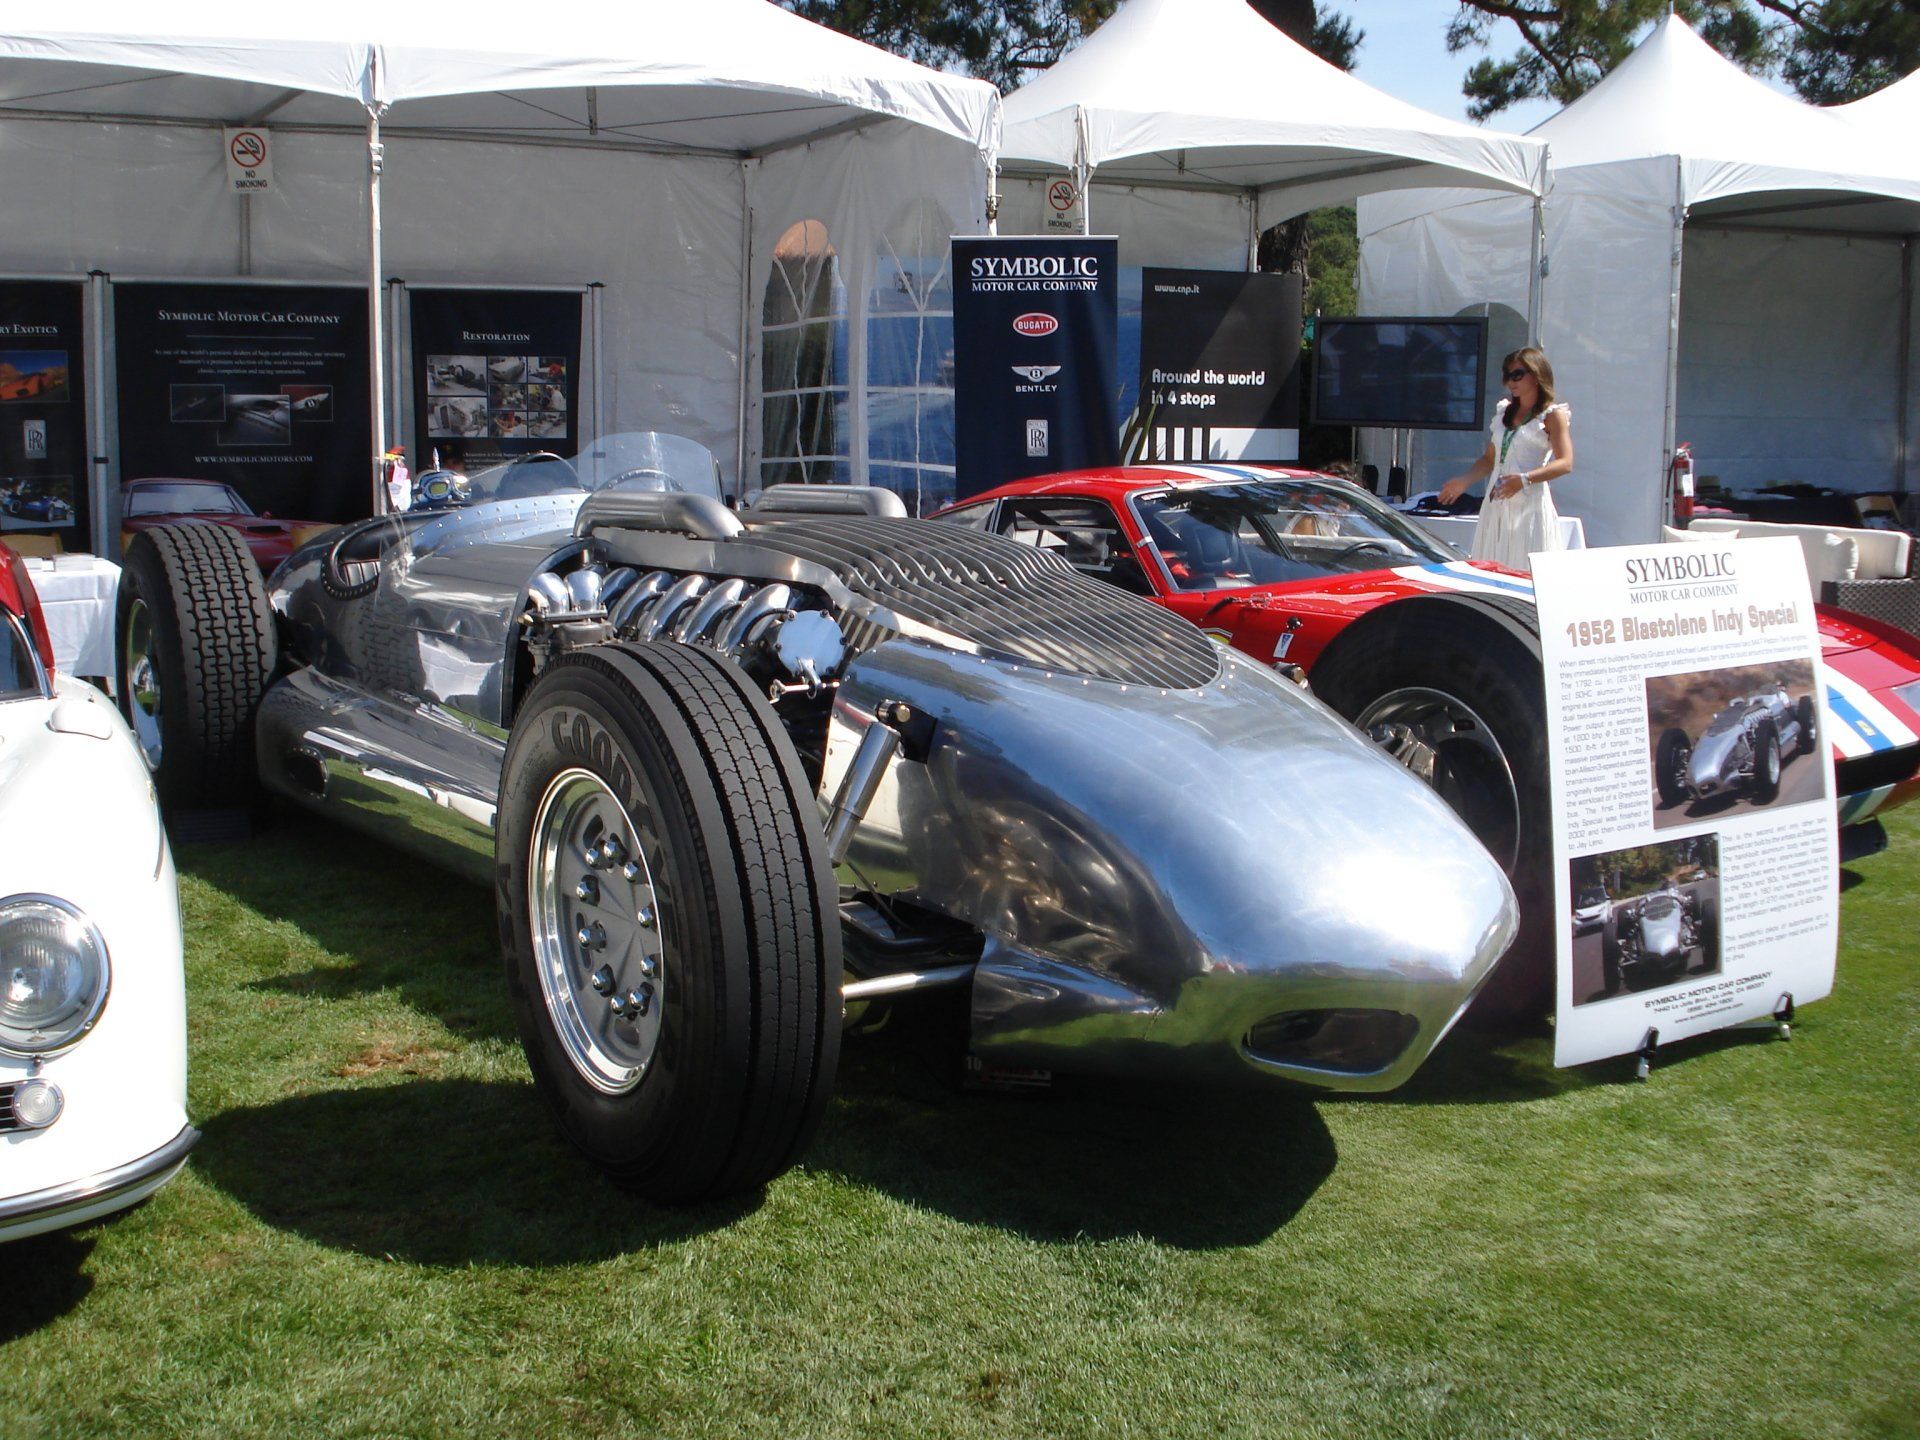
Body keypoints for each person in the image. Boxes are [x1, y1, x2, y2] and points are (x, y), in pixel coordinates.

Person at [1437, 347, 1574, 572]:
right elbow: (1490, 458)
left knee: (1525, 566)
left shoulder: (1552, 415)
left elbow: (1565, 462)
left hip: (1529, 501)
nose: (1510, 381)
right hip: (1497, 500)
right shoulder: (1505, 412)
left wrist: (1524, 479)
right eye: (1507, 375)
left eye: (1517, 374)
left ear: (1536, 374)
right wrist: (1464, 481)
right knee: (1492, 563)